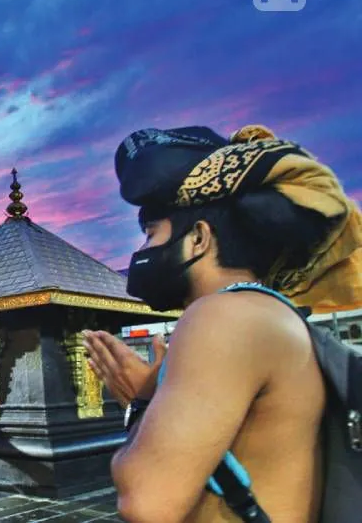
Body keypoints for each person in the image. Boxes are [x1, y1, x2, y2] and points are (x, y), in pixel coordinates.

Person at [85, 125, 362, 522]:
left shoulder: (223, 315)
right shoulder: (270, 315)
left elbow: (144, 501)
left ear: (198, 238)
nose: (142, 251)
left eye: (150, 234)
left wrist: (141, 403)